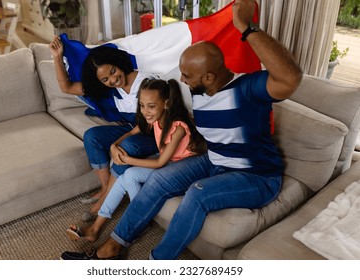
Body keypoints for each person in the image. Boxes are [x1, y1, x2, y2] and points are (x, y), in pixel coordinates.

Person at [60, 0, 303, 260]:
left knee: (198, 194)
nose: (182, 80)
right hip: (215, 161)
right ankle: (112, 247)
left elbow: (290, 77)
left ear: (209, 77)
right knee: (159, 180)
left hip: (257, 177)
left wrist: (246, 27)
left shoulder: (247, 90)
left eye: (186, 75)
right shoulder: (198, 91)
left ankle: (158, 262)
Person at [65, 78, 206, 242]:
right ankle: (95, 228)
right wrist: (114, 145)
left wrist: (126, 159)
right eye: (142, 105)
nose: (145, 111)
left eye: (151, 106)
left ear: (166, 104)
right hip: (169, 165)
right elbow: (132, 133)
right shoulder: (154, 120)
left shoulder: (178, 128)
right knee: (126, 177)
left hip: (182, 171)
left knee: (130, 174)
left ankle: (137, 222)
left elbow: (160, 163)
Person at [49, 37, 159, 220]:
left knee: (127, 144)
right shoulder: (110, 88)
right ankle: (105, 187)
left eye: (113, 71)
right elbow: (67, 87)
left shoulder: (144, 81)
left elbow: (150, 122)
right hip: (133, 129)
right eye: (105, 79)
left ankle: (106, 197)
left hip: (153, 135)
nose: (114, 79)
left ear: (118, 62)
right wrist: (57, 58)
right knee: (92, 136)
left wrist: (117, 143)